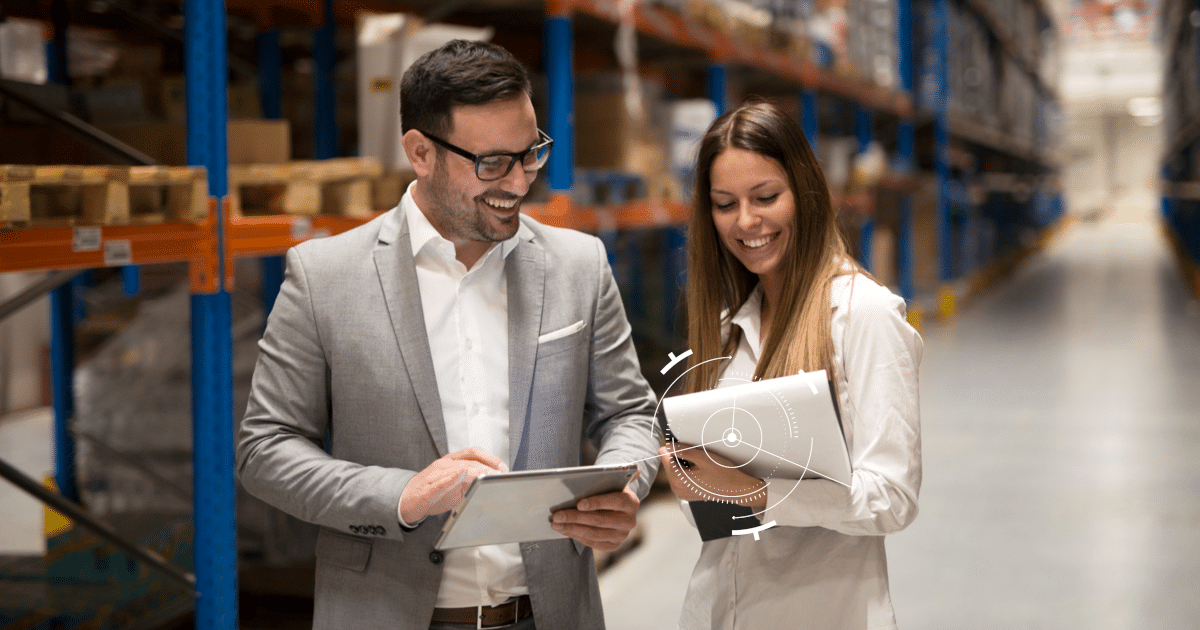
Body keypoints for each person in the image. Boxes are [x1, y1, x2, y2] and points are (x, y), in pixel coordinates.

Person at [237, 40, 661, 630]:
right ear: (420, 153)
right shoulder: (325, 276)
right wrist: (402, 497)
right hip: (387, 613)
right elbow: (266, 449)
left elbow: (629, 414)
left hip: (549, 613)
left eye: (530, 153)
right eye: (491, 163)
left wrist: (627, 483)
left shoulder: (578, 264)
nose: (518, 183)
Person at [656, 100, 923, 629]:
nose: (747, 221)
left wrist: (756, 492)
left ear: (805, 191)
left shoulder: (863, 316)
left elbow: (892, 498)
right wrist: (692, 479)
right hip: (718, 610)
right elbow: (714, 515)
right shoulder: (730, 325)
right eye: (724, 204)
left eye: (766, 197)